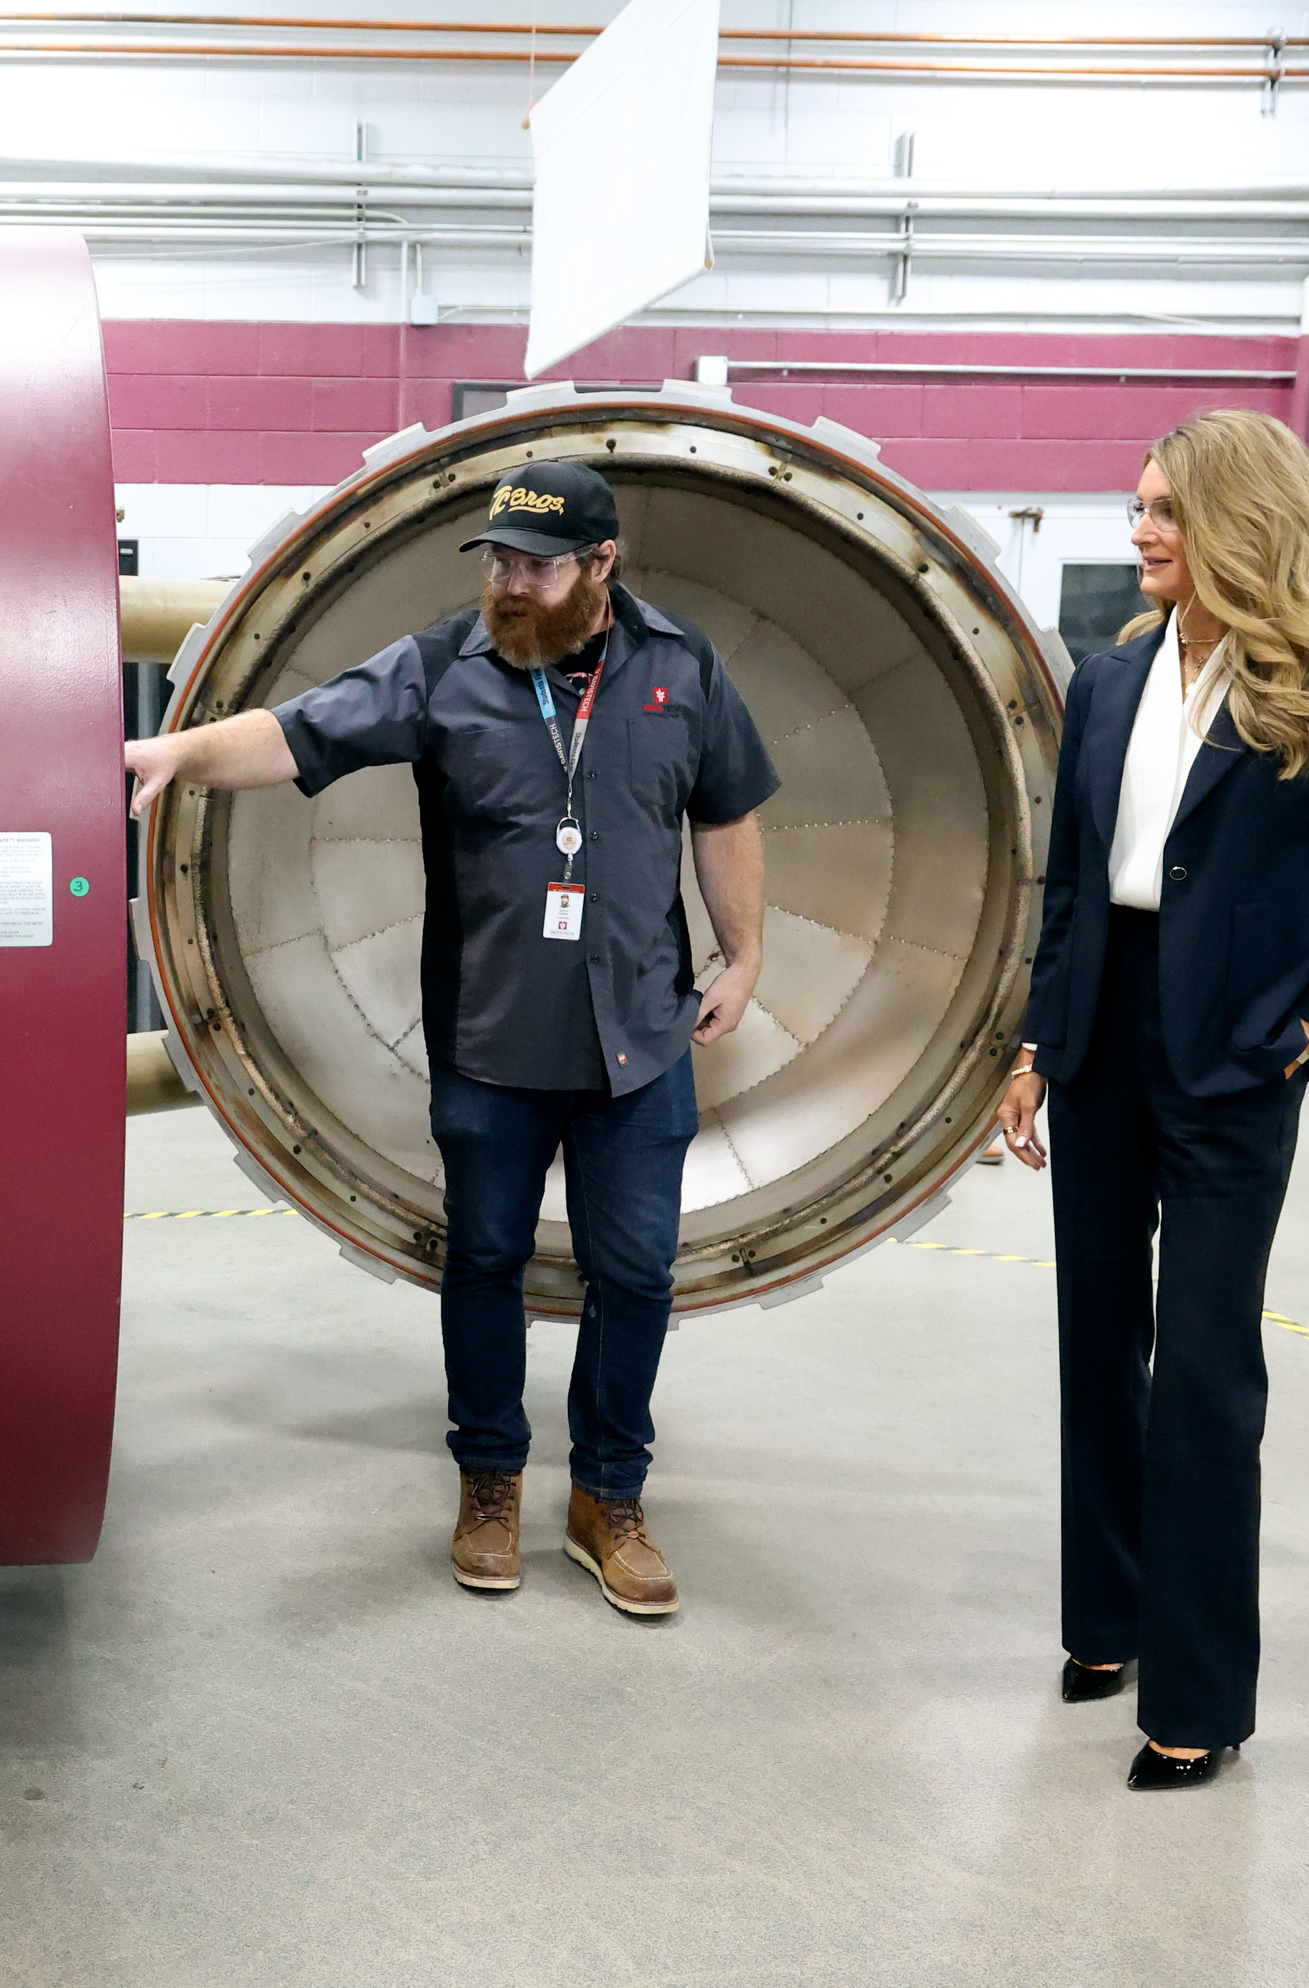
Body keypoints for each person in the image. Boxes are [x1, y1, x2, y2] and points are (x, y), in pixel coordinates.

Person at [124, 461, 780, 1616]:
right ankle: (489, 1479)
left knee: (635, 1274)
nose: (510, 585)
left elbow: (726, 810)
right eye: (498, 563)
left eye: (534, 565)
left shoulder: (683, 668)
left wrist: (746, 953)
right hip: (493, 1039)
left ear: (601, 567)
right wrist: (180, 754)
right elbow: (294, 734)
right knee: (482, 1264)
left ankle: (609, 1499)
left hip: (639, 1035)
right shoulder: (446, 666)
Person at [992, 408, 1309, 1791]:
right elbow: (1067, 889)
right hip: (1106, 1031)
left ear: (1239, 519)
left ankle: (1201, 1696)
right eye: (1137, 506)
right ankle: (1106, 1622)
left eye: (1165, 509)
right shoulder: (1109, 678)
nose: (1141, 530)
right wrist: (1035, 1049)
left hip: (1236, 1059)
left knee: (1205, 1380)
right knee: (1095, 1342)